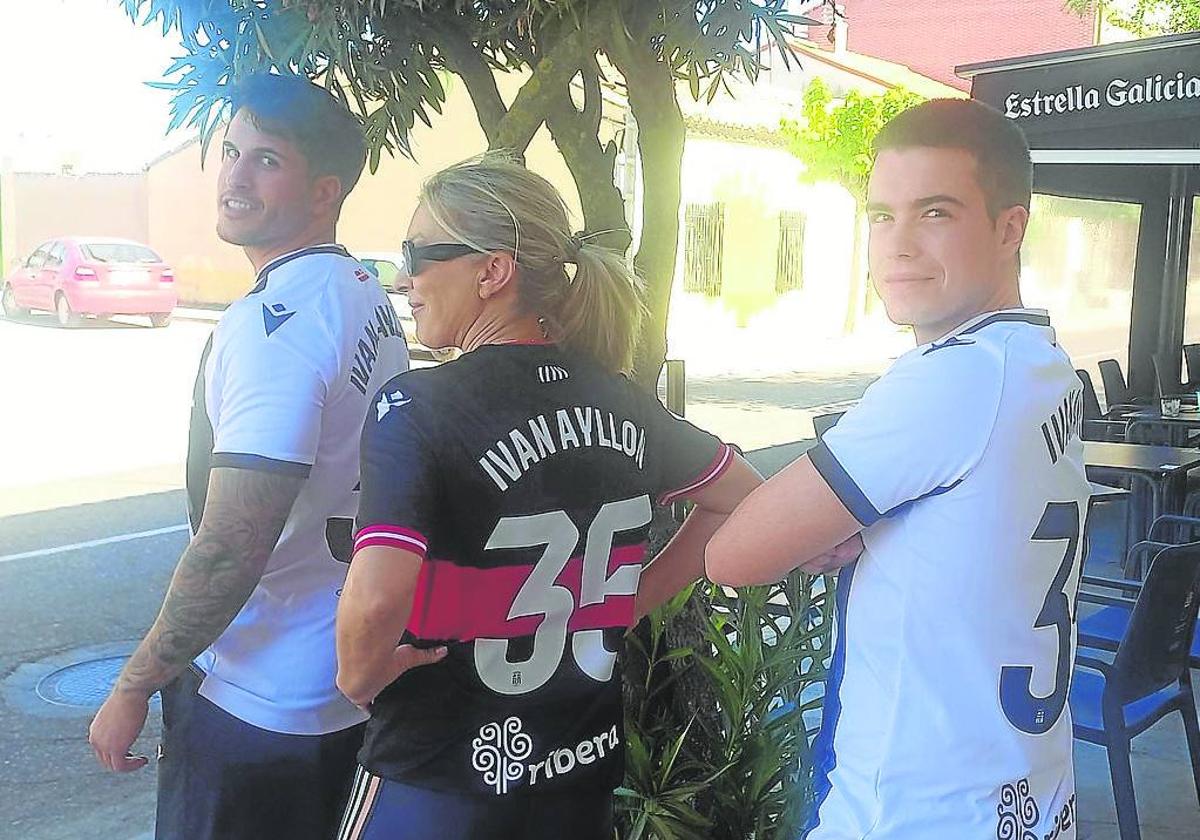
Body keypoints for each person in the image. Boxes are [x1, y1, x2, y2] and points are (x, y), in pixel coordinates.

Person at [333, 153, 762, 840]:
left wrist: (357, 673)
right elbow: (740, 497)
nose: (404, 279)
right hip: (576, 774)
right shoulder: (621, 400)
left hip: (440, 775)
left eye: (421, 255)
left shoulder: (417, 407)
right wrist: (634, 596)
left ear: (492, 271)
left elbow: (378, 595)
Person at [707, 99, 1090, 839]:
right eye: (881, 215)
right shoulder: (1043, 364)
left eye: (936, 213)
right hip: (1027, 799)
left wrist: (823, 526)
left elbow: (733, 555)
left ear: (1010, 227)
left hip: (918, 811)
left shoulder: (952, 379)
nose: (897, 245)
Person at [88, 73, 411, 840]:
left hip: (259, 703)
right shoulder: (362, 291)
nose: (233, 175)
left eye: (267, 160)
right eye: (231, 151)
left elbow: (233, 542)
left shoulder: (275, 324)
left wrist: (136, 682)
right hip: (344, 686)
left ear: (325, 190)